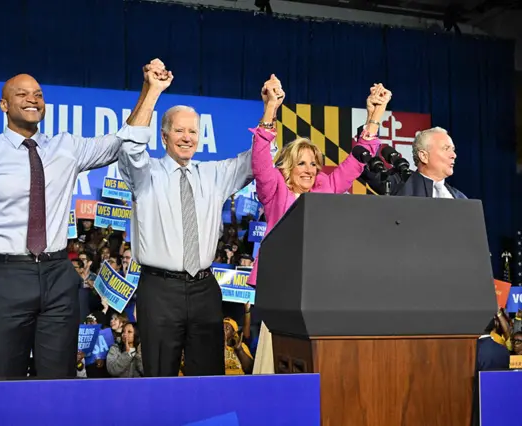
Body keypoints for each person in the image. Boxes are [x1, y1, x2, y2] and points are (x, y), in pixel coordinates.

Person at [0, 60, 167, 379]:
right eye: (22, 94)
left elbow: (122, 140)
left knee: (58, 380)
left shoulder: (66, 147)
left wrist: (150, 90)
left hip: (57, 275)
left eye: (38, 93)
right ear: (4, 105)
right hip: (5, 277)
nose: (33, 99)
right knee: (5, 379)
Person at [118, 63, 255, 377]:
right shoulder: (145, 174)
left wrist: (269, 112)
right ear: (164, 136)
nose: (187, 137)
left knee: (208, 378)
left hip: (204, 289)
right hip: (159, 289)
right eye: (179, 130)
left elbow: (254, 163)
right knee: (160, 377)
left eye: (193, 131)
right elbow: (130, 145)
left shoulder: (213, 175)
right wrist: (152, 91)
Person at [249, 78, 392, 374]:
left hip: (316, 291)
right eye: (302, 164)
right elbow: (261, 160)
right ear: (288, 166)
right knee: (274, 364)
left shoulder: (325, 188)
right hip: (279, 290)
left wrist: (374, 116)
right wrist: (270, 110)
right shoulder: (274, 189)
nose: (310, 170)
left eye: (314, 164)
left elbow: (355, 162)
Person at [362, 126, 466, 198]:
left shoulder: (460, 198)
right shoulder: (400, 182)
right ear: (424, 156)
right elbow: (365, 163)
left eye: (453, 150)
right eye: (446, 148)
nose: (453, 155)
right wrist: (374, 118)